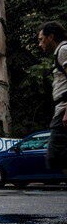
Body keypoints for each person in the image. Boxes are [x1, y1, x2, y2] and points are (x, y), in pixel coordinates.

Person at [37, 20, 67, 173]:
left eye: (41, 39)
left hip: (64, 110)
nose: (40, 44)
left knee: (56, 156)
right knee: (58, 157)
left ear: (51, 37)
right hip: (61, 110)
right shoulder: (60, 53)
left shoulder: (63, 50)